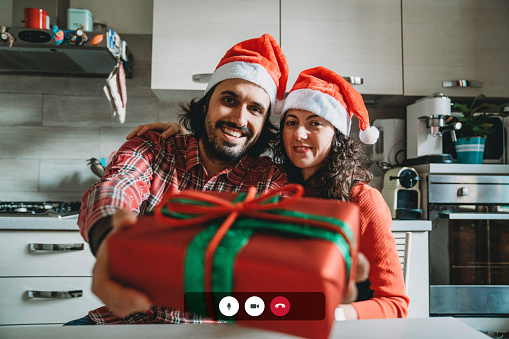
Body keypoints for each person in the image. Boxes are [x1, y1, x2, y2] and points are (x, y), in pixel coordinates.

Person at [133, 67, 409, 320]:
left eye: (315, 123)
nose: (299, 134)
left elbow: (395, 304)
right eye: (291, 122)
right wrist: (184, 137)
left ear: (336, 135)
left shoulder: (362, 200)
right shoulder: (271, 183)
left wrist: (332, 315)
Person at [74, 34, 290, 325]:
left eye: (255, 109)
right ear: (204, 106)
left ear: (264, 125)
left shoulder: (268, 180)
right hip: (129, 320)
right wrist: (111, 240)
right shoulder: (154, 147)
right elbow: (116, 186)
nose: (239, 119)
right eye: (229, 100)